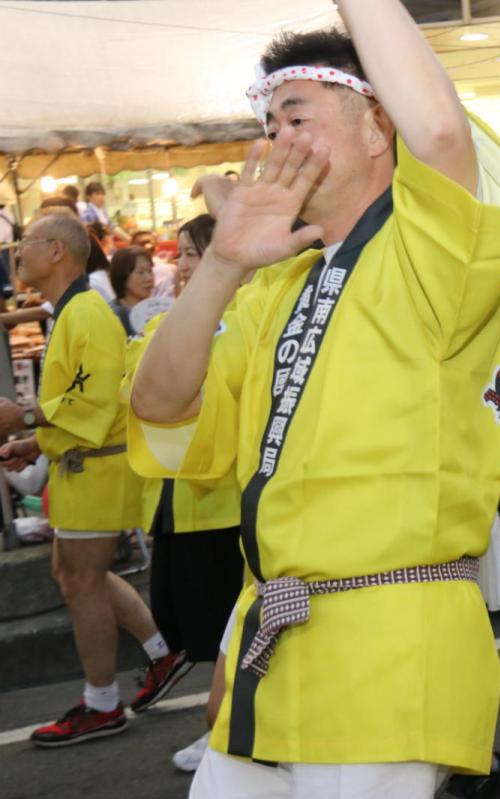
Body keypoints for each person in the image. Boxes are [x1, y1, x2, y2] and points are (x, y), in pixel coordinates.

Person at [127, 4, 500, 795]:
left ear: (377, 126)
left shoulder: (432, 253)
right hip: (273, 641)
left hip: (389, 644)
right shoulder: (273, 283)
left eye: (299, 116)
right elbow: (158, 406)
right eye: (268, 121)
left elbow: (444, 135)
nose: (277, 139)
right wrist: (220, 266)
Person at [0, 214, 186, 747]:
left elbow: (96, 399)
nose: (19, 253)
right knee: (74, 572)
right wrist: (37, 440)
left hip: (95, 467)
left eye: (26, 243)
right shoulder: (73, 311)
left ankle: (101, 703)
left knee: (81, 580)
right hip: (83, 462)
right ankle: (159, 652)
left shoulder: (86, 313)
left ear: (56, 251)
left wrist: (28, 419)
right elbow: (87, 402)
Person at [124, 212, 244, 773]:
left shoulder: (246, 317)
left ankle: (226, 730)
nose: (181, 265)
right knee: (199, 625)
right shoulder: (169, 321)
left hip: (223, 503)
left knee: (226, 624)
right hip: (179, 499)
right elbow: (137, 389)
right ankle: (226, 726)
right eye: (185, 256)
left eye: (192, 253)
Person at [107, 246, 155, 336]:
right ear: (122, 276)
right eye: (140, 272)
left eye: (150, 271)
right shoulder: (114, 316)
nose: (149, 278)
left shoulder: (156, 309)